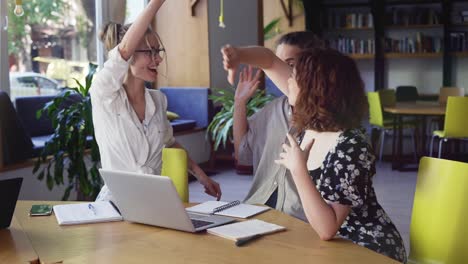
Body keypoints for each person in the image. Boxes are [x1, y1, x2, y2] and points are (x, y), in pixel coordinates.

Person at [223, 47, 407, 262]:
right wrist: (239, 56)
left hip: (366, 245)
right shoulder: (309, 128)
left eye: (294, 77)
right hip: (329, 243)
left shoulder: (351, 145)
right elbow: (270, 61)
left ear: (316, 90)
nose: (288, 82)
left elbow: (327, 229)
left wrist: (298, 169)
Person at [90, 0, 221, 202]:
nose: (158, 59)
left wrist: (202, 176)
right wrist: (156, 3)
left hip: (155, 200)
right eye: (149, 52)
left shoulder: (158, 100)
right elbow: (122, 51)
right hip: (116, 203)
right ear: (129, 54)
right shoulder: (104, 94)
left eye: (158, 51)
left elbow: (170, 142)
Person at [232, 32, 324, 221]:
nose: (279, 73)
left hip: (302, 218)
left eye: (289, 65)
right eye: (276, 65)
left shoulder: (325, 115)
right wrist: (239, 103)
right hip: (257, 208)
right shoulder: (271, 110)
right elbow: (243, 155)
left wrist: (239, 54)